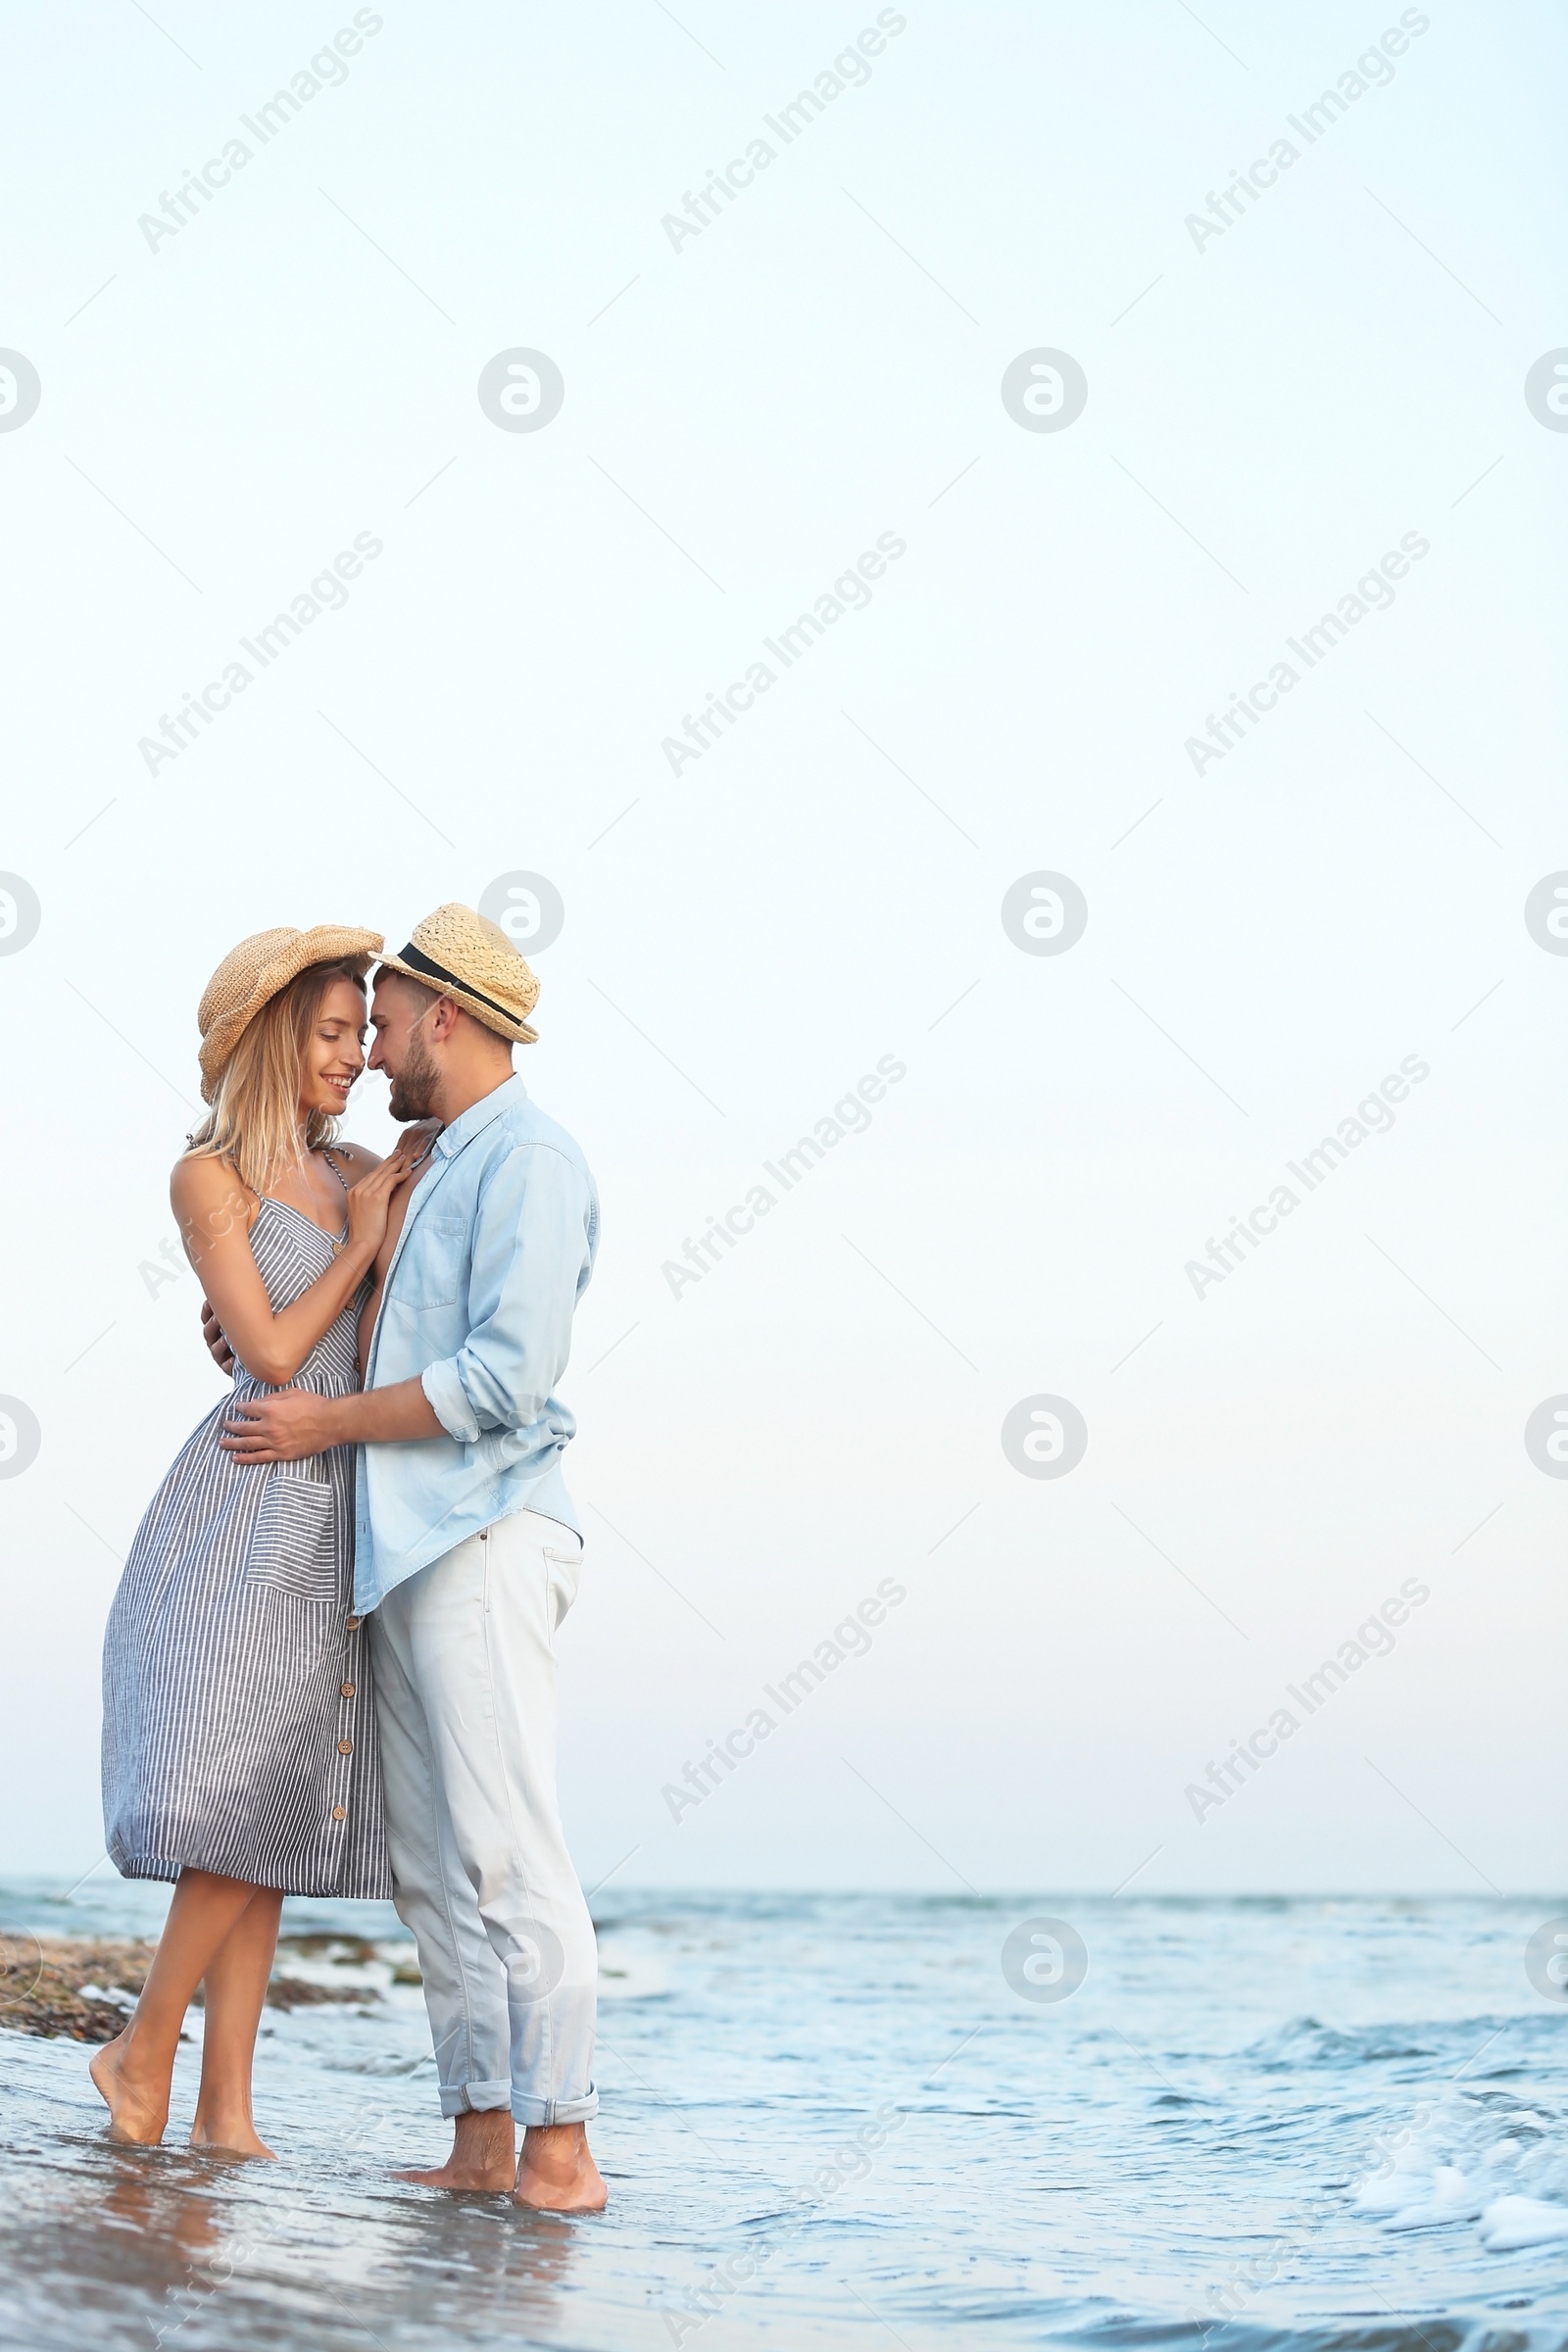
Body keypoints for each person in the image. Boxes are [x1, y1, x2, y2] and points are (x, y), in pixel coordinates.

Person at [217, 905, 607, 2213]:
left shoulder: (531, 1164)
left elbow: (503, 1378)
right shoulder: (430, 1159)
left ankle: (562, 2151)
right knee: (432, 1867)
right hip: (398, 1551)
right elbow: (378, 1322)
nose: (372, 1053)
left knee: (507, 1853)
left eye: (382, 1025)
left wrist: (319, 1419)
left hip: (484, 1531)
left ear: (444, 1017)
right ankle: (481, 2137)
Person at [95, 925, 425, 2155]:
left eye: (358, 1033)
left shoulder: (358, 1169)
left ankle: (225, 2109)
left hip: (336, 1503)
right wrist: (357, 1242)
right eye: (333, 1033)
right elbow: (276, 1355)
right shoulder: (211, 1180)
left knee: (278, 1803)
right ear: (275, 1038)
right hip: (242, 1507)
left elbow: (380, 1330)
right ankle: (143, 2050)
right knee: (233, 1794)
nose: (352, 1056)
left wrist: (374, 1214)